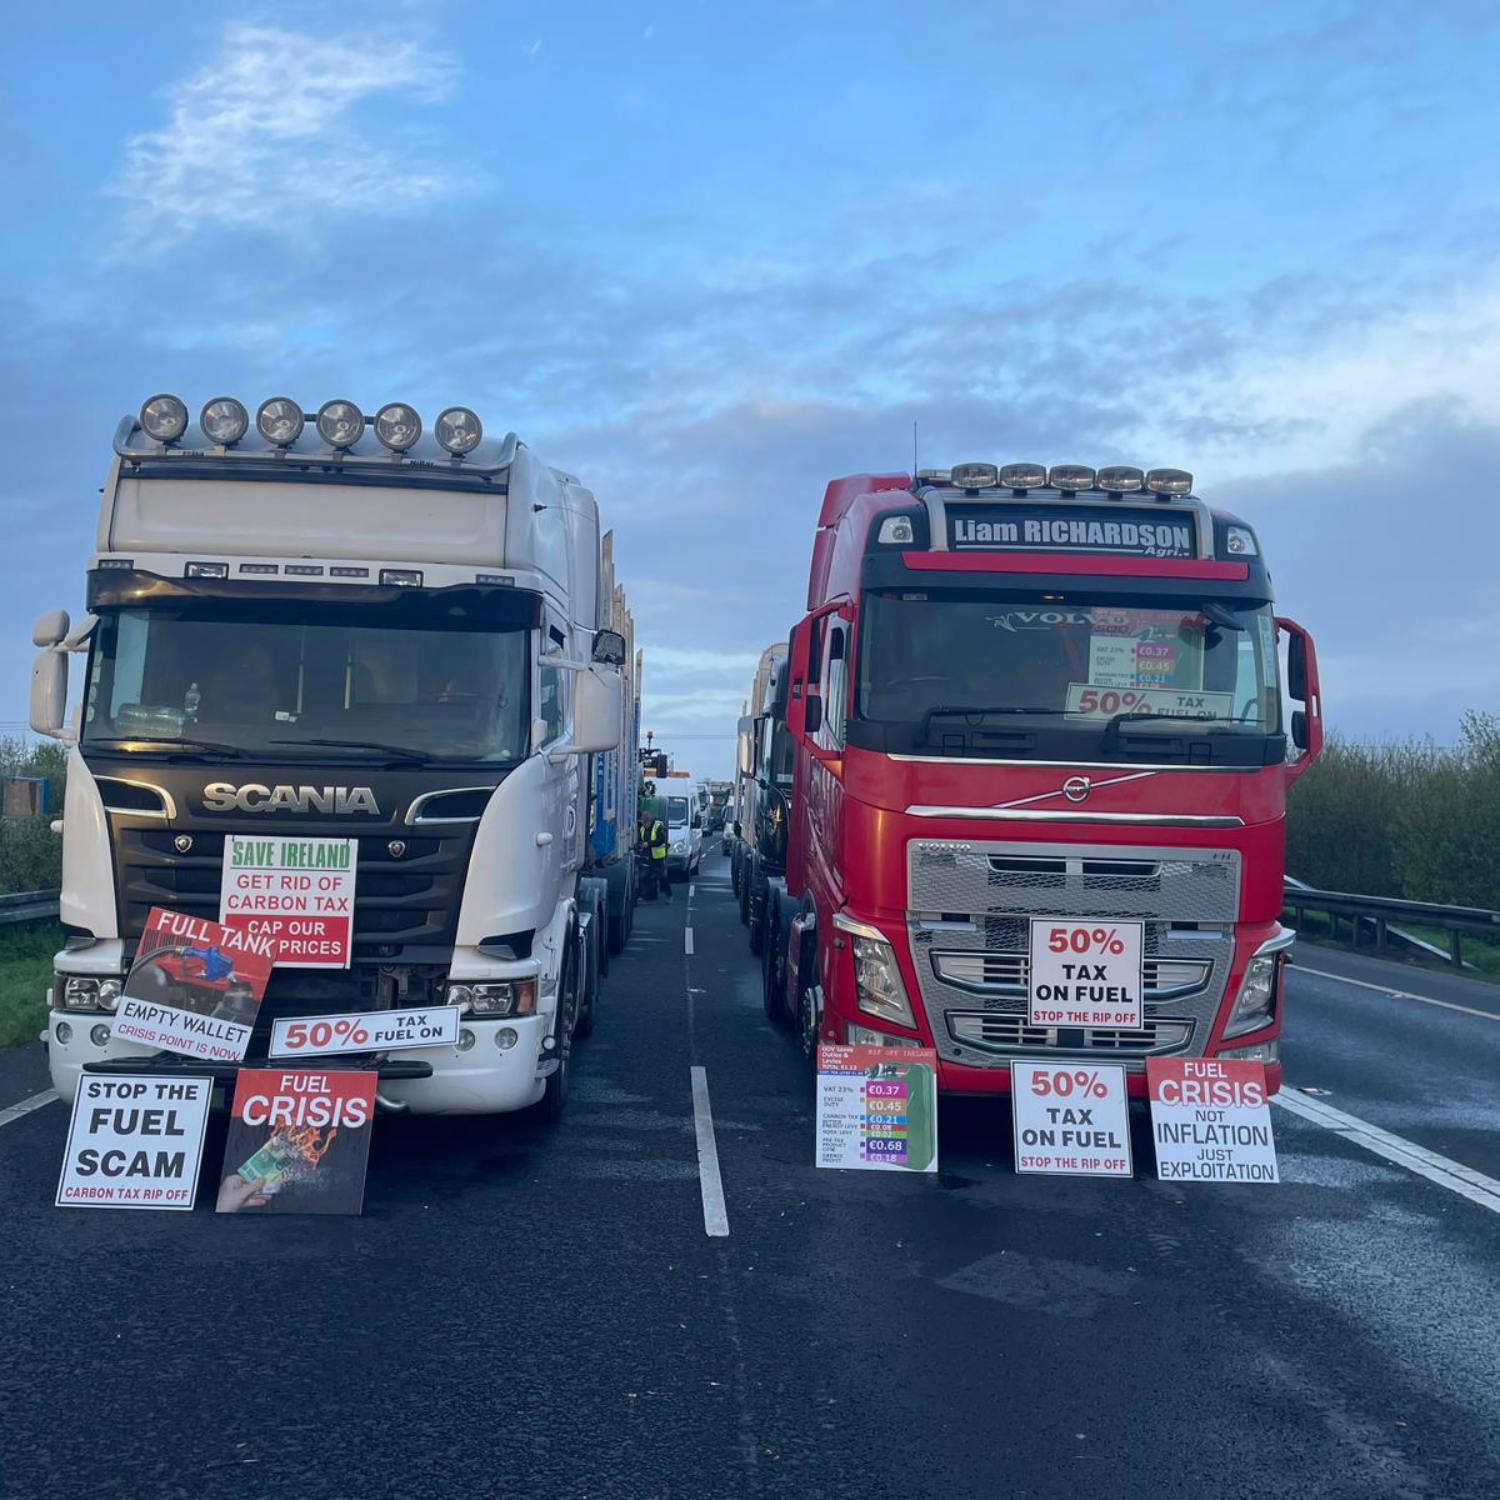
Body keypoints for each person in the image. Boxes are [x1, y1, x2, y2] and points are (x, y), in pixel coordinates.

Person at [642, 809, 672, 900]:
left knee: (661, 876)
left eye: (645, 823)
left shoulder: (658, 826)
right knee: (649, 876)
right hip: (650, 856)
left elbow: (661, 840)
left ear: (649, 821)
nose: (644, 825)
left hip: (659, 856)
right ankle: (652, 896)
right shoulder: (644, 828)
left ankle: (668, 894)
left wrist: (649, 843)